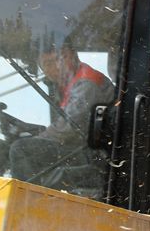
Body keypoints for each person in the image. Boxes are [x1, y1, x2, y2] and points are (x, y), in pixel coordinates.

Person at [9, 42, 115, 196]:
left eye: (50, 63)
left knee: (21, 149)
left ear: (69, 56)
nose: (47, 70)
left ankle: (25, 201)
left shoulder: (87, 83)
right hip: (83, 148)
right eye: (44, 65)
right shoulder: (69, 83)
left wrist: (39, 137)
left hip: (94, 155)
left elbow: (69, 128)